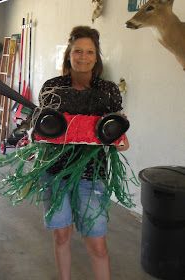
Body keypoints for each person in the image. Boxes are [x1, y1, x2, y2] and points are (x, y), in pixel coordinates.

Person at [39, 26, 130, 280]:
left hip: (93, 174)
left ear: (96, 56)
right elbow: (44, 128)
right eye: (78, 51)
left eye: (89, 52)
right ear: (69, 54)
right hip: (55, 172)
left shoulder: (109, 90)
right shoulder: (52, 88)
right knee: (61, 234)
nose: (83, 56)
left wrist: (121, 140)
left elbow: (117, 132)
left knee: (97, 244)